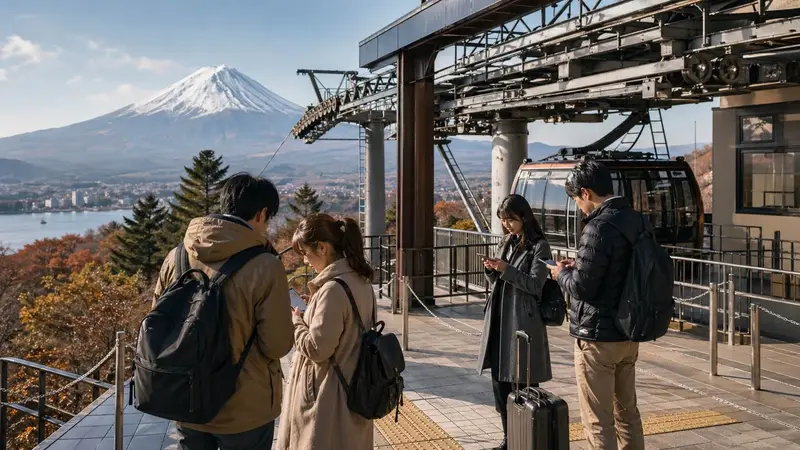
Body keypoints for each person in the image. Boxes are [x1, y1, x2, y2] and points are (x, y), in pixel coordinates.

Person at [152, 173, 294, 450]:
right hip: (245, 408)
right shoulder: (265, 265)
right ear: (262, 212)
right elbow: (276, 345)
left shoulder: (177, 255)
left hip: (186, 396)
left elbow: (157, 322)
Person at [549, 160, 645, 450]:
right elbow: (621, 269)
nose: (579, 206)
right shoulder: (635, 219)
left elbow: (582, 288)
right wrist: (579, 265)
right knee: (627, 413)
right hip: (630, 332)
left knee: (598, 419)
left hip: (599, 337)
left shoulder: (597, 226)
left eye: (576, 199)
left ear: (586, 193)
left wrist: (560, 273)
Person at [276, 214, 376, 450]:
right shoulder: (359, 280)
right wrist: (313, 308)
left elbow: (317, 349)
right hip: (353, 388)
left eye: (306, 254)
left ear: (322, 247)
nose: (305, 262)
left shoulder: (332, 289)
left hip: (327, 398)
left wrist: (296, 321)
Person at [477, 194, 554, 450]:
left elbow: (535, 285)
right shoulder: (506, 242)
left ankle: (527, 440)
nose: (507, 225)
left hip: (521, 324)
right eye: (503, 220)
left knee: (523, 386)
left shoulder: (539, 246)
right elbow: (498, 281)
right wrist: (491, 270)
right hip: (500, 322)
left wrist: (504, 270)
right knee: (500, 388)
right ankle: (509, 439)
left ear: (524, 217)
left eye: (511, 219)